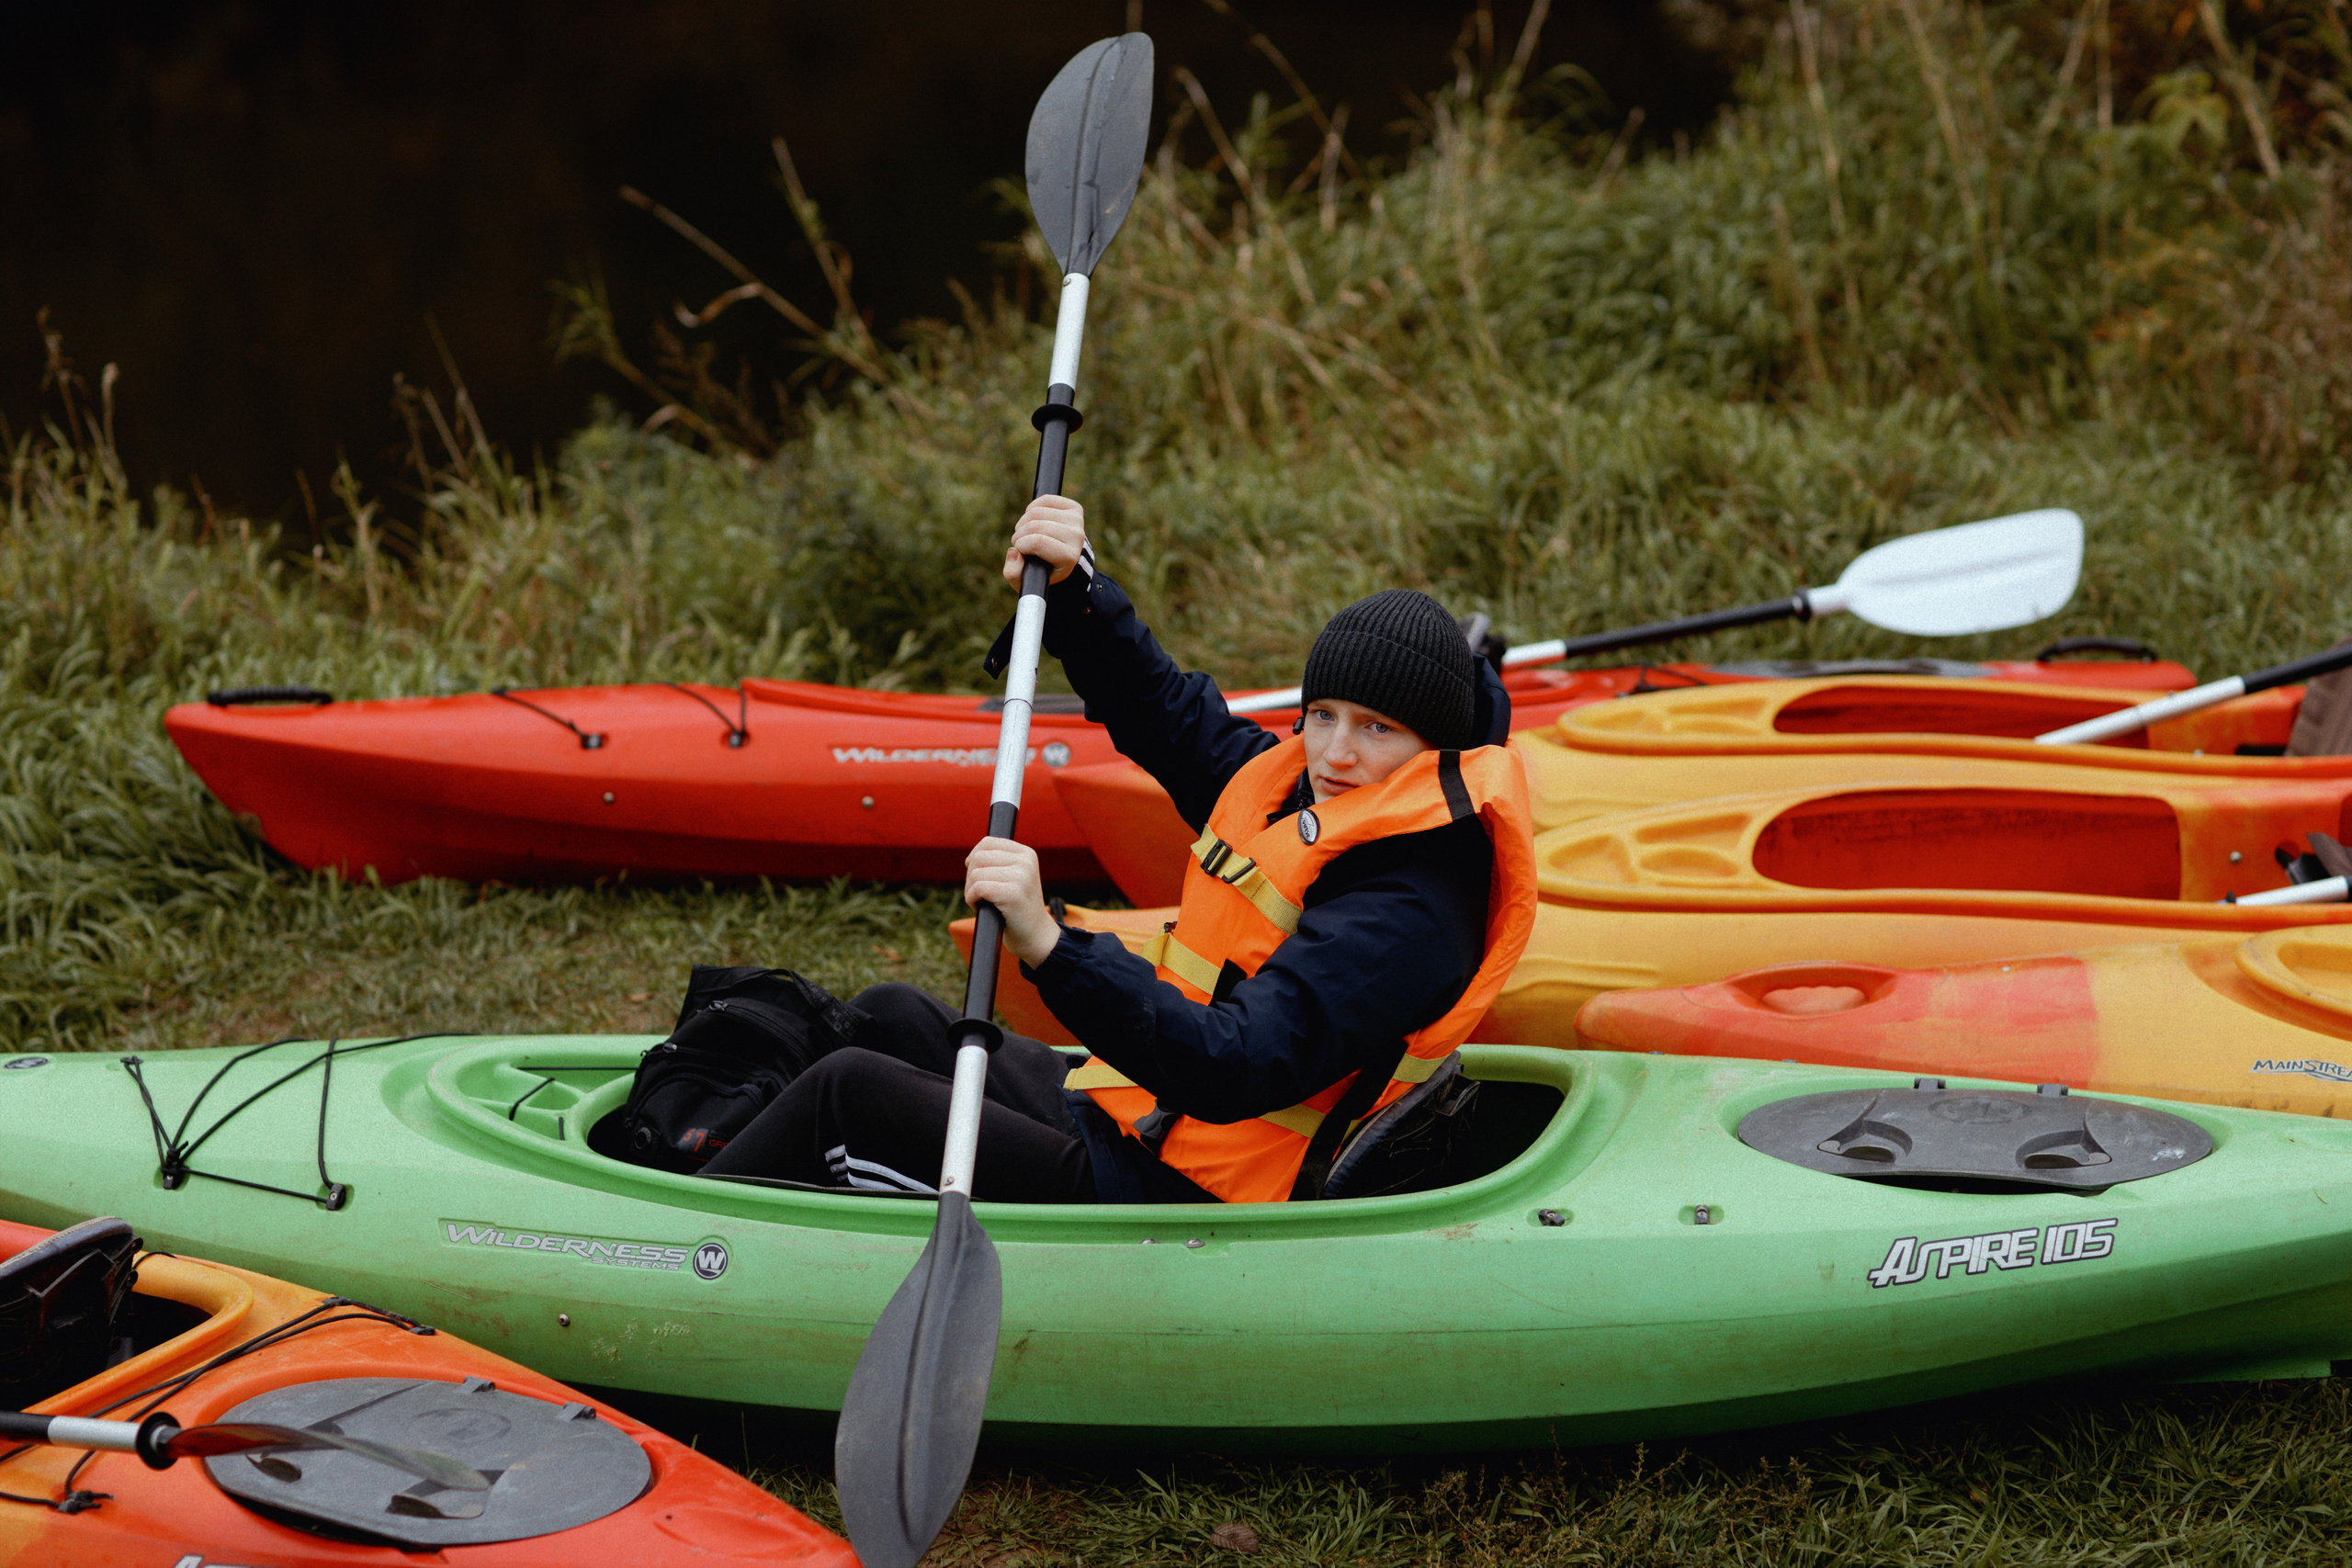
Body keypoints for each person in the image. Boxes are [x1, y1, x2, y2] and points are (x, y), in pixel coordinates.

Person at [697, 494, 1536, 1203]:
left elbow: (1233, 1062)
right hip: (1141, 1112)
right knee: (889, 1015)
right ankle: (707, 1150)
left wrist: (1054, 948)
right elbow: (1169, 716)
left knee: (853, 1097)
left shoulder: (1409, 910)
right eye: (1323, 715)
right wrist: (1077, 592)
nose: (1336, 752)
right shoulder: (1304, 791)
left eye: (1376, 729)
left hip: (1184, 1191)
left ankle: (678, 1244)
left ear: (1435, 748)